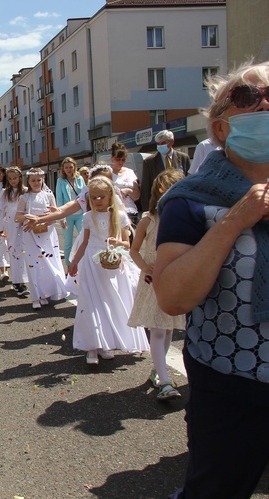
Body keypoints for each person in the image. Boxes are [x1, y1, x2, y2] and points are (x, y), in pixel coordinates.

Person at [153, 61, 269, 498]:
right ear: (220, 129)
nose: (266, 102)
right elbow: (172, 296)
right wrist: (237, 219)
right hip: (231, 385)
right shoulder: (189, 201)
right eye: (249, 97)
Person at [67, 176, 148, 365]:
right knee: (92, 304)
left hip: (112, 263)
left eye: (101, 197)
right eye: (93, 198)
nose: (97, 201)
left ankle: (105, 345)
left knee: (109, 304)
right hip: (92, 263)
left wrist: (116, 242)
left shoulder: (119, 216)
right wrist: (74, 262)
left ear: (110, 196)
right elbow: (85, 242)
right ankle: (91, 348)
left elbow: (127, 244)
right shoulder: (87, 217)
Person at [127, 170, 185, 401]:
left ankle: (158, 371)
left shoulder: (184, 218)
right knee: (159, 329)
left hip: (174, 278)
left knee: (168, 326)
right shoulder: (148, 220)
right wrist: (144, 266)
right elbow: (134, 249)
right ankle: (166, 381)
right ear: (159, 192)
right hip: (153, 280)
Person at [16, 168, 67, 309]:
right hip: (31, 234)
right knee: (34, 264)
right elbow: (17, 217)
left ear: (43, 180)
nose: (36, 183)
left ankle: (47, 293)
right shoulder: (24, 198)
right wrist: (27, 216)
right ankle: (35, 296)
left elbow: (56, 213)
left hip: (47, 233)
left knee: (49, 262)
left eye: (39, 180)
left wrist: (50, 219)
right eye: (33, 180)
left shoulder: (49, 195)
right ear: (28, 182)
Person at [0, 167, 28, 297]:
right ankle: (18, 282)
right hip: (11, 224)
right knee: (15, 252)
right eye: (10, 178)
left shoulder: (26, 192)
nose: (12, 181)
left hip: (25, 223)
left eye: (15, 178)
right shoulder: (6, 193)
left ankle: (25, 280)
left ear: (20, 178)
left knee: (26, 252)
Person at [140, 129, 191, 210]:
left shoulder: (183, 158)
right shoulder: (149, 162)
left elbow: (189, 183)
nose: (160, 146)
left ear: (171, 142)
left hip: (180, 203)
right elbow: (145, 188)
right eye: (158, 144)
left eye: (163, 143)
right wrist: (148, 210)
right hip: (159, 205)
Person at [55, 158, 85, 265]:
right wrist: (61, 217)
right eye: (66, 167)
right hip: (67, 215)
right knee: (68, 242)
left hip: (80, 214)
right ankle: (69, 266)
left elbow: (84, 195)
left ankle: (82, 264)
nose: (68, 169)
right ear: (63, 169)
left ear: (75, 167)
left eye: (70, 167)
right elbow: (59, 199)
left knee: (84, 239)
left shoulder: (80, 179)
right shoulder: (60, 181)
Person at [110, 143, 141, 226]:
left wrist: (128, 191)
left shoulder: (130, 172)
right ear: (112, 158)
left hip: (131, 211)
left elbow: (136, 196)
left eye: (123, 160)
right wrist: (119, 192)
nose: (120, 162)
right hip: (114, 212)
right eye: (118, 159)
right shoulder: (108, 173)